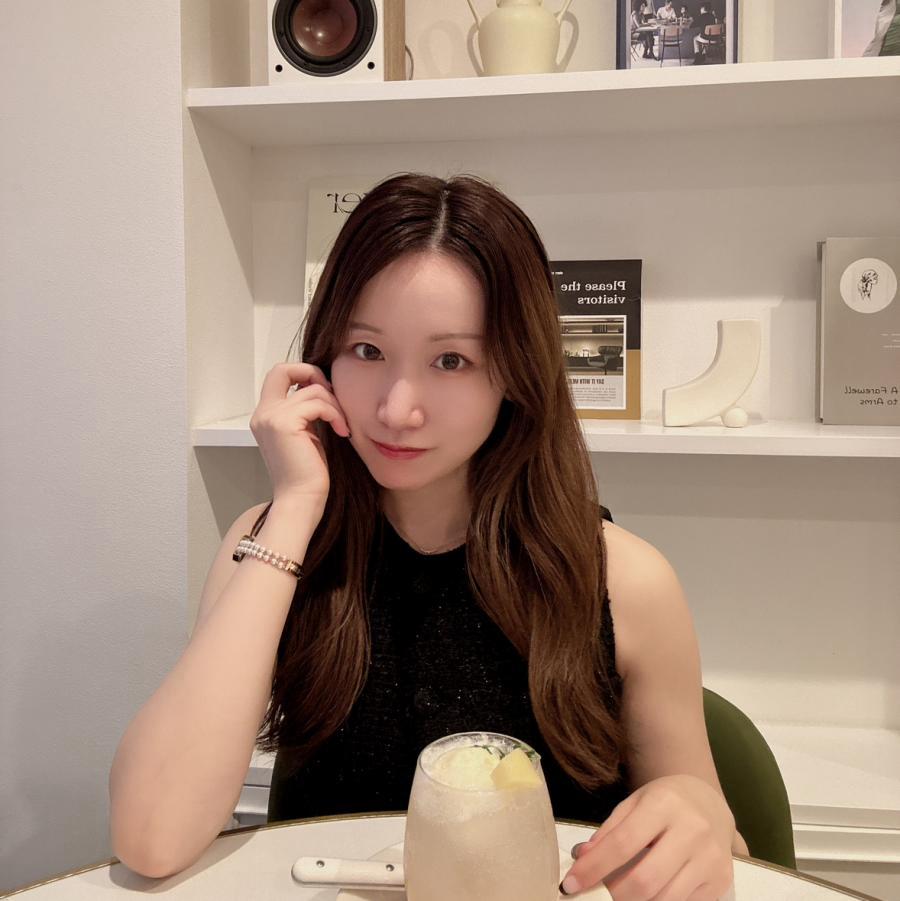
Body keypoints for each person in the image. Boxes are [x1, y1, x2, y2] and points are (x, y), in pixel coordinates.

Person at [108, 173, 748, 896]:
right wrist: (295, 504)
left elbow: (715, 838)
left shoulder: (623, 580)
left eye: (451, 361)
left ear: (516, 373)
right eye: (366, 350)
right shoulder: (270, 545)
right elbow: (151, 837)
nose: (397, 409)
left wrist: (698, 810)